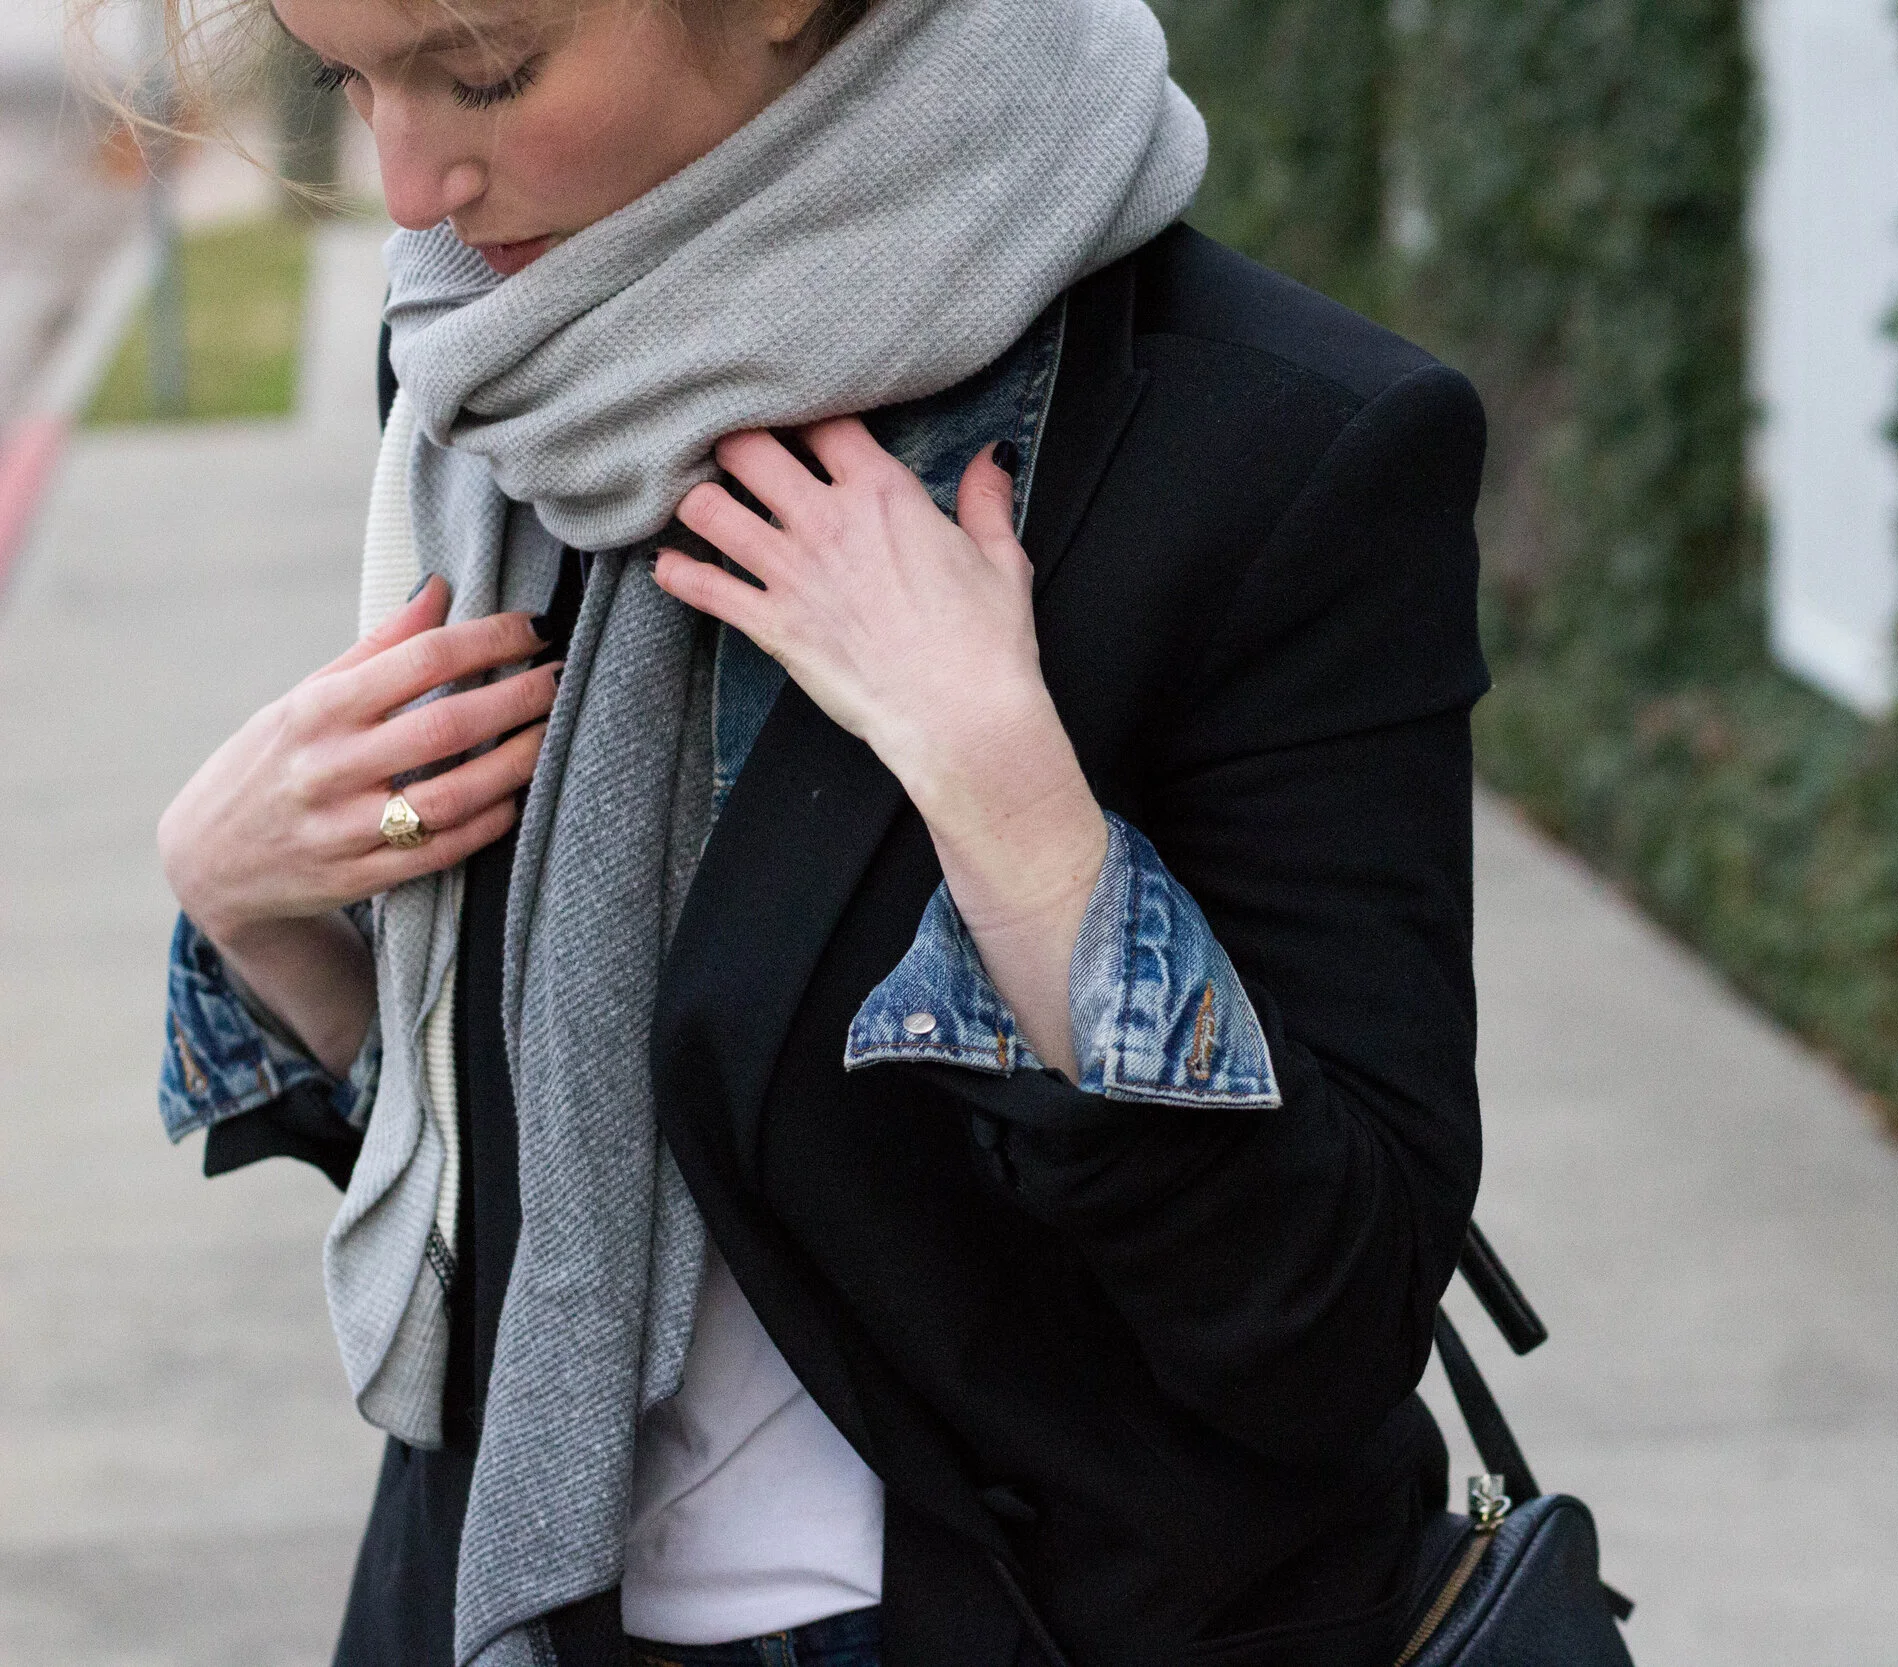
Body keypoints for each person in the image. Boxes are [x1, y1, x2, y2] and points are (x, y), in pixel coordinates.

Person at [145, 0, 1490, 1661]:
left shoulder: (1275, 453)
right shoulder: (499, 391)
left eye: (484, 71)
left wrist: (1009, 799)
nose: (412, 184)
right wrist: (249, 902)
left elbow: (1326, 1321)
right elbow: (521, 1189)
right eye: (347, 82)